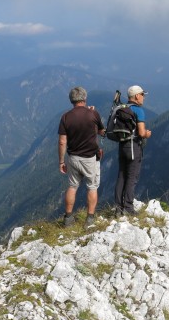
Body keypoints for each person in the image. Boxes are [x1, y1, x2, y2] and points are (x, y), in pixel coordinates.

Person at [58, 86, 105, 227]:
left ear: (71, 100)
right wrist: (92, 115)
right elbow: (101, 132)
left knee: (72, 186)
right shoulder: (93, 114)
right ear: (85, 98)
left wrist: (61, 161)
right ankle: (89, 219)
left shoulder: (65, 117)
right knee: (92, 187)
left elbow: (62, 141)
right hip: (90, 158)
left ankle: (68, 218)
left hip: (73, 158)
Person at [114, 85, 152, 216]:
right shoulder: (138, 110)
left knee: (121, 176)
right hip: (133, 147)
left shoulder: (122, 109)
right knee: (132, 177)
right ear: (137, 96)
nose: (143, 97)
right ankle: (129, 208)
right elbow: (141, 132)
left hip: (122, 146)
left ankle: (118, 208)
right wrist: (147, 134)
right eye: (142, 95)